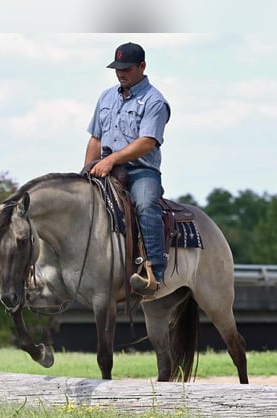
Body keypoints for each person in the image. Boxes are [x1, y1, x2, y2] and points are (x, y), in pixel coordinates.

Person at [85, 42, 171, 297]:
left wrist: (111, 160)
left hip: (140, 171)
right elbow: (96, 139)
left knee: (145, 204)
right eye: (117, 68)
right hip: (104, 168)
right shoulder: (106, 97)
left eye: (126, 68)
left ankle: (153, 273)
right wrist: (86, 169)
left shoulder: (154, 101)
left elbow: (147, 142)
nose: (120, 73)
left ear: (142, 67)